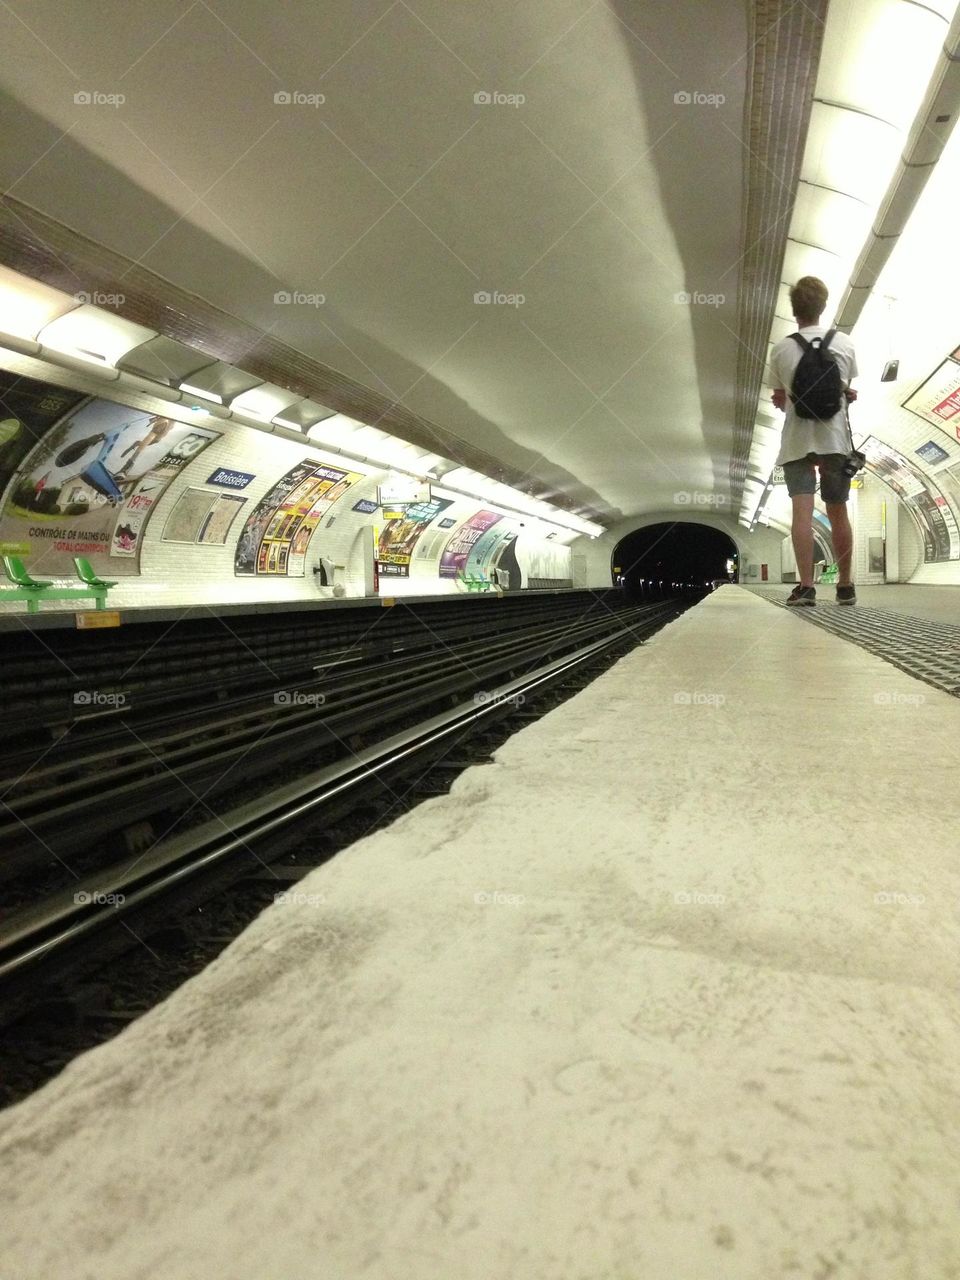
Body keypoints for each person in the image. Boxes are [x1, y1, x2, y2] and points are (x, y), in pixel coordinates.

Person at [770, 276, 858, 606]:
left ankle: (806, 587)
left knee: (802, 515)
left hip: (796, 440)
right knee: (838, 512)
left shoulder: (782, 348)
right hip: (834, 439)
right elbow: (844, 389)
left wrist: (789, 400)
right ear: (823, 306)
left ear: (795, 311)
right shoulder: (845, 343)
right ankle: (845, 586)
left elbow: (779, 397)